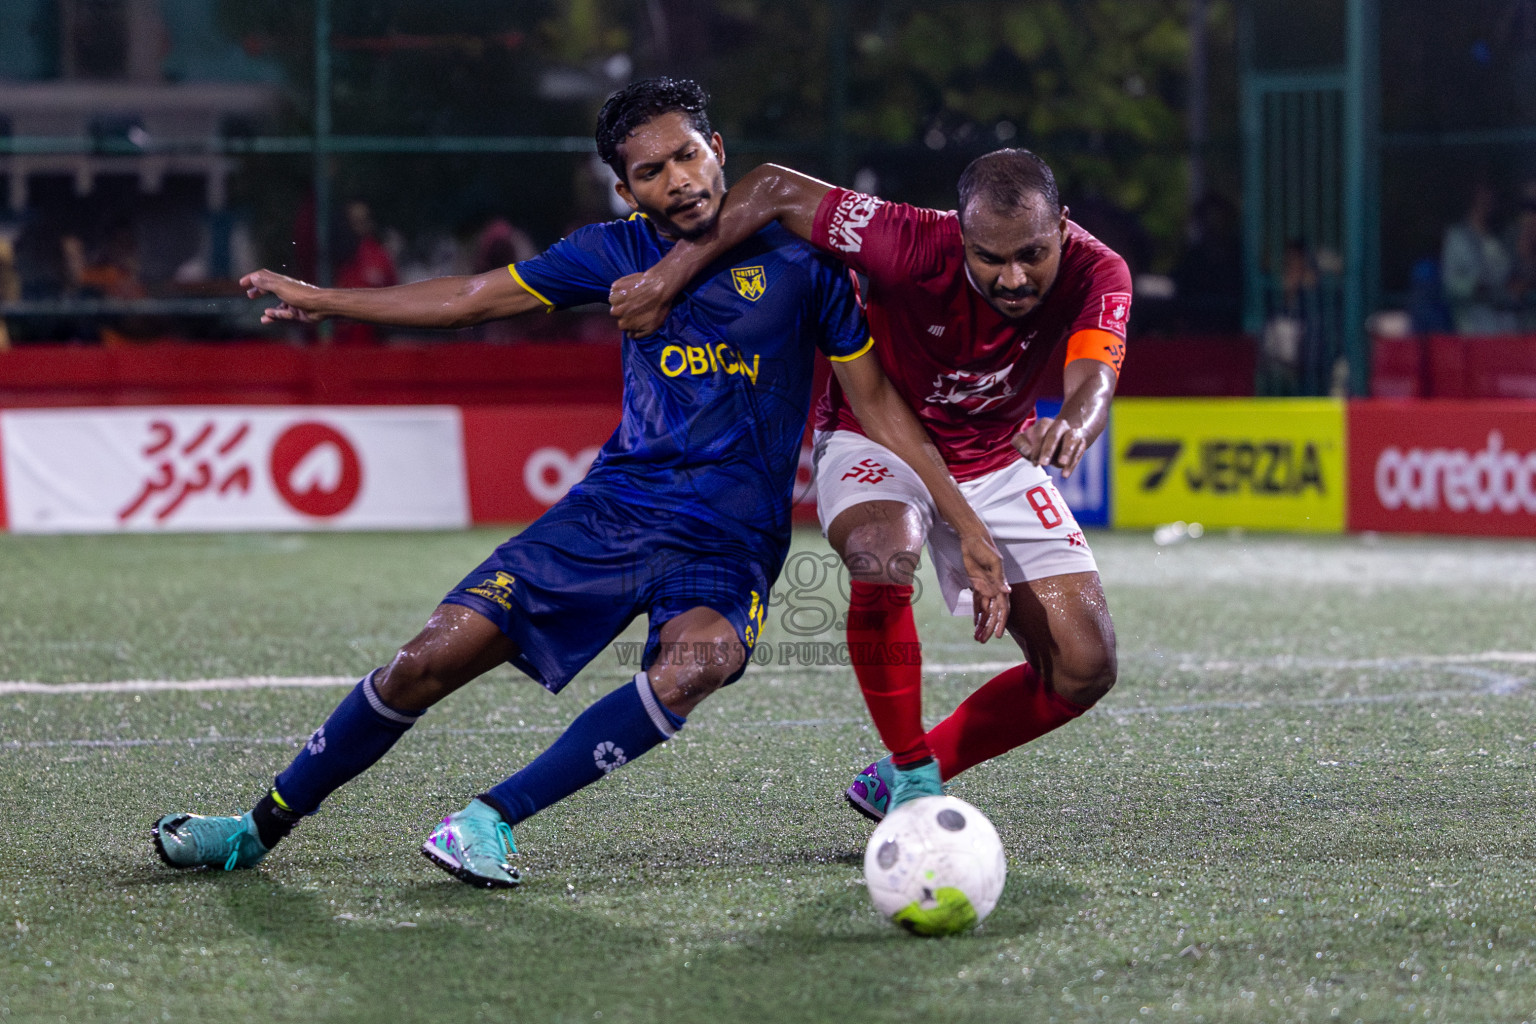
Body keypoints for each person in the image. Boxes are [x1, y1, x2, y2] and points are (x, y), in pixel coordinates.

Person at [151, 78, 1008, 890]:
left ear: (716, 149)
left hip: (729, 542)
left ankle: (490, 819)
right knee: (426, 660)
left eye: (686, 157)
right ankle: (255, 828)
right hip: (611, 515)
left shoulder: (805, 264)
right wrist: (328, 301)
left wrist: (964, 524)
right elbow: (469, 300)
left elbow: (880, 407)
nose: (676, 181)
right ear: (626, 191)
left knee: (701, 661)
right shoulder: (610, 253)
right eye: (649, 172)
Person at [610, 149, 1125, 822]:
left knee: (1085, 666)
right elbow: (769, 185)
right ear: (960, 234)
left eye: (1031, 254)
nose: (1013, 278)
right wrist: (665, 277)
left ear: (1061, 225)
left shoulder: (1097, 270)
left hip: (997, 459)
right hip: (877, 438)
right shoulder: (906, 240)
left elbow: (1094, 379)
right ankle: (913, 774)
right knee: (884, 551)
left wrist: (1075, 428)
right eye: (988, 258)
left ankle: (903, 775)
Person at [1441, 182, 1516, 336]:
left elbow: (1508, 278)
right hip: (1473, 330)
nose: (1489, 201)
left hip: (1505, 329)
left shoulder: (1497, 240)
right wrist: (1478, 287)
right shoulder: (1456, 237)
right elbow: (1451, 283)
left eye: (1491, 196)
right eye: (1484, 196)